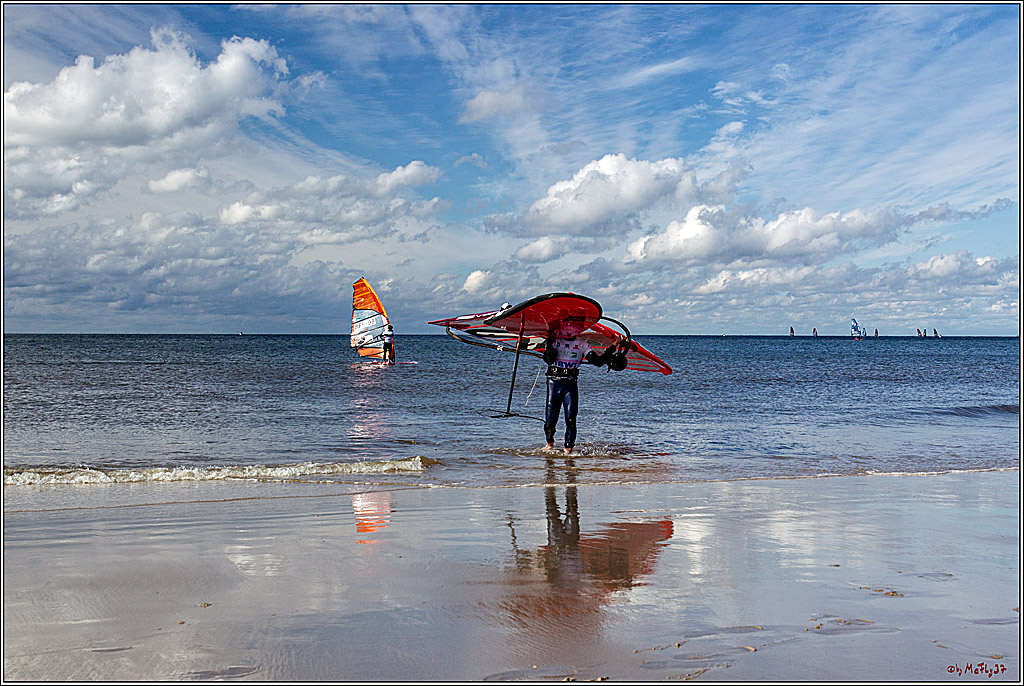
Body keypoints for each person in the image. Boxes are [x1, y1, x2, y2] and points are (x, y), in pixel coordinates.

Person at [542, 323, 627, 454]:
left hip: (570, 384)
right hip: (553, 383)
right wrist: (549, 341)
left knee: (570, 418)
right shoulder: (555, 341)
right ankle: (549, 444)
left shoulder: (582, 345)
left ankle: (568, 450)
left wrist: (614, 345)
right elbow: (548, 359)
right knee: (550, 420)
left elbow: (598, 362)